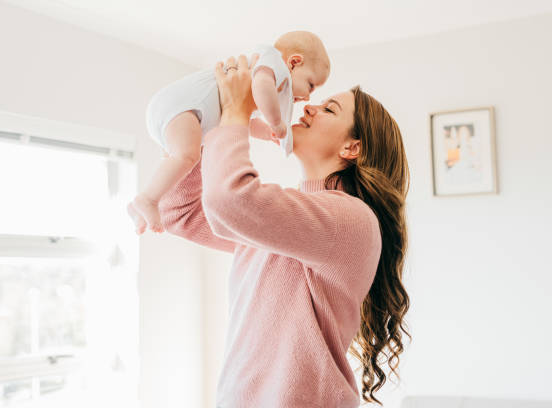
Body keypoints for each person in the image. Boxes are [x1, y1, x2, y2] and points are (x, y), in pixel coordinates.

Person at [158, 54, 411, 407]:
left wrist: (235, 113)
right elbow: (180, 212)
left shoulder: (351, 219)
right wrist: (202, 126)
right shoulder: (288, 220)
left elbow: (230, 201)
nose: (308, 108)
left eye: (329, 109)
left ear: (352, 148)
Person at [128, 31, 330, 234]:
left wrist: (268, 132)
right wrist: (276, 122)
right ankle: (147, 199)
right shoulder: (272, 64)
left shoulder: (262, 80)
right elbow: (261, 87)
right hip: (181, 107)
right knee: (187, 155)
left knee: (180, 157)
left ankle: (141, 204)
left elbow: (243, 120)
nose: (306, 98)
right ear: (294, 62)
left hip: (178, 111)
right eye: (310, 85)